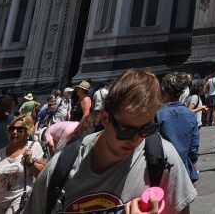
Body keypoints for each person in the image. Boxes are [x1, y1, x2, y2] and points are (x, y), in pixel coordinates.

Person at [24, 69, 194, 214]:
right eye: (126, 131)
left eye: (146, 130)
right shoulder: (61, 166)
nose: (135, 140)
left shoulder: (162, 159)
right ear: (104, 118)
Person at [0, 117, 45, 214]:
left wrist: (31, 162)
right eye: (11, 129)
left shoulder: (33, 147)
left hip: (18, 199)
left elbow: (42, 174)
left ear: (26, 132)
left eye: (19, 129)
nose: (14, 132)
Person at [156, 73, 199, 185]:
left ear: (164, 90)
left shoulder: (158, 114)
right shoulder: (190, 115)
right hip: (184, 167)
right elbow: (193, 148)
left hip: (162, 169)